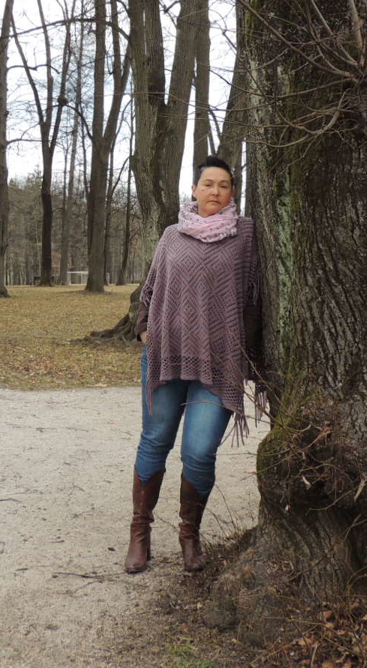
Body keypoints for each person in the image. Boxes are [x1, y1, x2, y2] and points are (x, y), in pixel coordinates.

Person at [126, 155, 263, 574]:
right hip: (165, 354)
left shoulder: (245, 235)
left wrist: (247, 352)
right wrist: (144, 330)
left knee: (199, 451)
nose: (215, 192)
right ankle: (139, 532)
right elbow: (151, 288)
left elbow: (255, 297)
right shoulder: (172, 235)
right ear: (194, 189)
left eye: (223, 185)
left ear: (233, 192)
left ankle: (189, 534)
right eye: (208, 184)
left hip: (220, 362)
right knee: (155, 441)